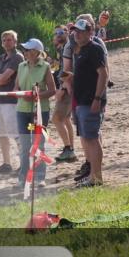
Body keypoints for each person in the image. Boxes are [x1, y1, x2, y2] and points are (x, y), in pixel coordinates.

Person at [70, 17, 108, 187]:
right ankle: (93, 174)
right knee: (87, 138)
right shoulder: (81, 49)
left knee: (92, 138)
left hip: (90, 101)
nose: (76, 34)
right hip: (81, 101)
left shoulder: (94, 49)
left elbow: (104, 74)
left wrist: (97, 98)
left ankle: (96, 177)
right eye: (75, 31)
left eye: (80, 31)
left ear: (90, 32)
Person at [15, 38, 56, 189]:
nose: (25, 52)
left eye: (28, 50)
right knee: (25, 145)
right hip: (22, 111)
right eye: (25, 50)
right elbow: (16, 88)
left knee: (38, 143)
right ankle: (23, 177)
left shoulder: (45, 66)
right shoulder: (21, 66)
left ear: (37, 52)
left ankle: (40, 177)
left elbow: (52, 90)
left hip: (40, 111)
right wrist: (20, 94)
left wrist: (36, 96)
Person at [0, 30, 24, 174]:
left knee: (16, 133)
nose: (7, 42)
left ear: (15, 41)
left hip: (11, 101)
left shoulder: (17, 57)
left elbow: (2, 79)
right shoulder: (0, 58)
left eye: (10, 40)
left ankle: (23, 163)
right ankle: (6, 163)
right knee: (1, 132)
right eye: (4, 40)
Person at [50, 27, 76, 163]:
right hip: (67, 87)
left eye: (61, 32)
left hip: (67, 88)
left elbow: (68, 70)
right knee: (65, 119)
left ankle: (68, 149)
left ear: (67, 33)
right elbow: (59, 68)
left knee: (56, 119)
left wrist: (62, 89)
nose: (58, 35)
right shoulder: (62, 49)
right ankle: (71, 148)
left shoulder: (67, 47)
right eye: (56, 33)